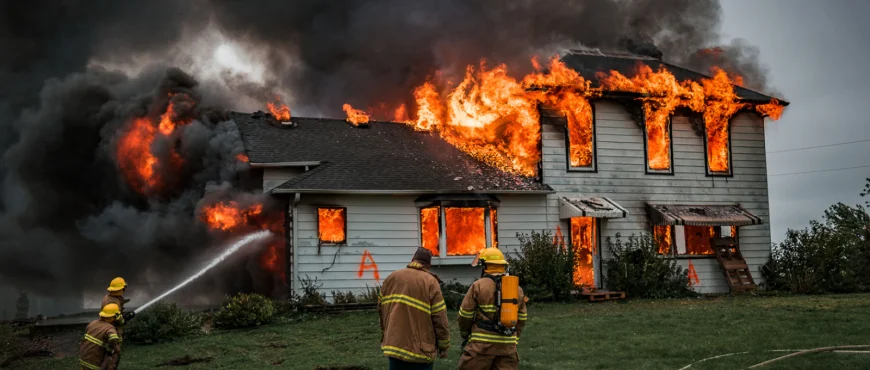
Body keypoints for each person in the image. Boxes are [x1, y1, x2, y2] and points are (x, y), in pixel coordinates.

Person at [378, 247, 450, 370]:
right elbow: (440, 317)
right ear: (429, 265)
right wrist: (443, 345)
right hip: (421, 352)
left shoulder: (392, 277)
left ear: (412, 259)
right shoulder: (431, 282)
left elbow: (381, 308)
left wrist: (386, 333)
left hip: (395, 346)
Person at [457, 248, 528, 370]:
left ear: (485, 265)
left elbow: (465, 315)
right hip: (507, 348)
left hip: (480, 347)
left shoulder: (478, 285)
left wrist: (465, 334)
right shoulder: (516, 288)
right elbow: (522, 318)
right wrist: (514, 338)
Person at [79, 303, 122, 370]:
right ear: (113, 317)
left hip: (83, 359)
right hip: (95, 362)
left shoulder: (93, 323)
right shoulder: (109, 328)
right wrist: (110, 350)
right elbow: (113, 338)